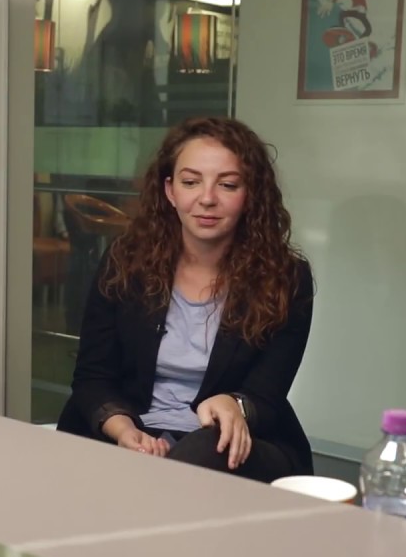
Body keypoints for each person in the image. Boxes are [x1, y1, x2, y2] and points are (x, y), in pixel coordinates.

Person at [56, 117, 315, 483]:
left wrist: (234, 404)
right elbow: (92, 377)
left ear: (250, 194)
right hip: (129, 428)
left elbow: (267, 395)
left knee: (202, 452)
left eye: (227, 185)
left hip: (229, 440)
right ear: (170, 190)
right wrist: (123, 430)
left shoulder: (286, 278)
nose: (207, 199)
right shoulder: (125, 262)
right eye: (191, 182)